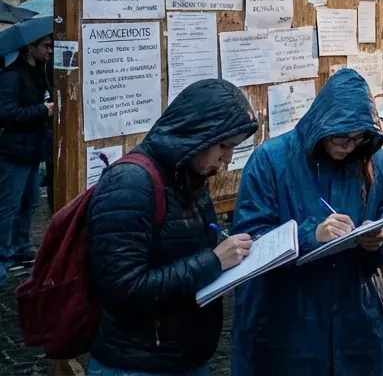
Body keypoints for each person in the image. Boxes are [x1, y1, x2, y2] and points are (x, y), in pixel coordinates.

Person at [231, 70, 383, 375]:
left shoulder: (374, 161)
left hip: (358, 315)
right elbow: (249, 240)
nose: (348, 147)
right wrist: (311, 234)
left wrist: (381, 240)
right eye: (340, 137)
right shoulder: (271, 160)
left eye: (358, 138)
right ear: (321, 123)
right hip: (290, 319)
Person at [86, 79, 257, 376]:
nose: (228, 159)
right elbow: (122, 288)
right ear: (198, 134)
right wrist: (214, 261)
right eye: (224, 146)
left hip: (183, 354)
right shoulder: (130, 183)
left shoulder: (189, 174)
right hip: (138, 363)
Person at [0, 32, 52, 281]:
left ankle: (20, 247)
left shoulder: (42, 71)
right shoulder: (12, 76)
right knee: (9, 205)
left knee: (30, 203)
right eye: (46, 45)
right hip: (13, 151)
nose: (50, 50)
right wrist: (42, 109)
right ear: (30, 47)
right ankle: (2, 256)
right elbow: (7, 112)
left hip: (33, 150)